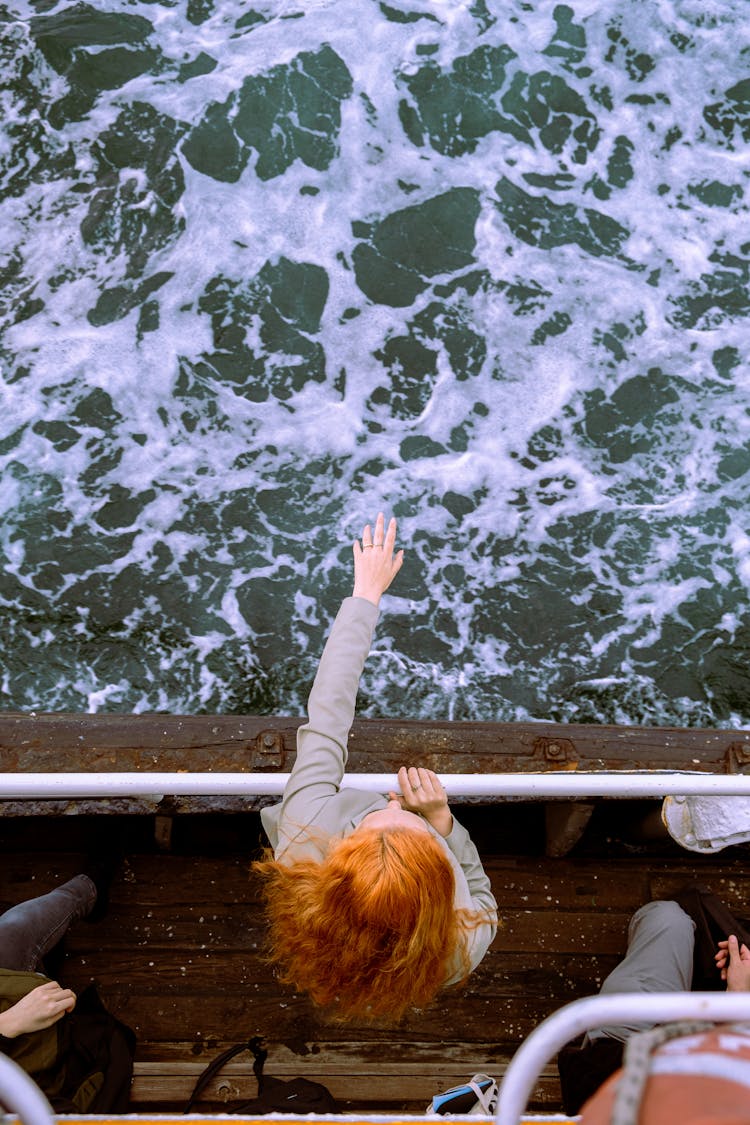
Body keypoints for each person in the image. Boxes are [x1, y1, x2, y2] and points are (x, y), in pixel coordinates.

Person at [253, 512, 497, 1022]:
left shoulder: (306, 837)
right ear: (438, 886)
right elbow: (484, 900)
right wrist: (442, 825)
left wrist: (365, 595)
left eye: (376, 819)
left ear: (339, 860)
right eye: (402, 813)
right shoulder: (461, 948)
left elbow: (329, 713)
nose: (392, 798)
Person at [558, 898, 750, 1123]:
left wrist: (734, 1006)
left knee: (668, 918)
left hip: (628, 1060)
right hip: (702, 1049)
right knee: (672, 917)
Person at [0, 864, 135, 1112]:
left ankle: (88, 893)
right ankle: (92, 887)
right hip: (29, 1075)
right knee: (9, 937)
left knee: (12, 934)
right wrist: (8, 1026)